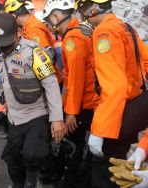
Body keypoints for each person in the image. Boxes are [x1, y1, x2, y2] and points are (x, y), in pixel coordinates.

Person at [0, 13, 66, 188]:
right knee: (11, 158)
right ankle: (19, 183)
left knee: (33, 153)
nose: (4, 47)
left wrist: (57, 119)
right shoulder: (1, 54)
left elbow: (51, 84)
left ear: (18, 33)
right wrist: (8, 101)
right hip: (15, 117)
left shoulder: (34, 52)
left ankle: (31, 181)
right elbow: (8, 81)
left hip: (36, 113)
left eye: (7, 42)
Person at [74, 0, 148, 187]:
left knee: (104, 173)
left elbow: (114, 86)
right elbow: (145, 62)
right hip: (132, 106)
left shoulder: (104, 32)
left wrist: (99, 131)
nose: (82, 14)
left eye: (82, 9)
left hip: (115, 115)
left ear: (92, 9)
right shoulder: (125, 26)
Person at [43, 0, 95, 187]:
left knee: (72, 145)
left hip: (83, 103)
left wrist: (71, 112)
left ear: (56, 17)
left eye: (49, 21)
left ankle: (71, 181)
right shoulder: (82, 29)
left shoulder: (73, 40)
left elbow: (76, 78)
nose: (49, 26)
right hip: (87, 100)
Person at [4, 0, 63, 86]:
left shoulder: (33, 29)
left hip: (49, 83)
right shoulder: (27, 27)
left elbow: (46, 58)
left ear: (13, 15)